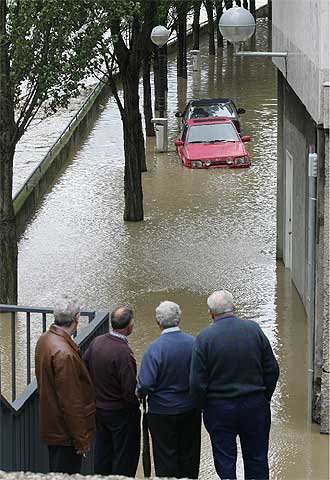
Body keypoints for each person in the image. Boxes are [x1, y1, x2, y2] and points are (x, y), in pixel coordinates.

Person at [190, 290, 280, 480]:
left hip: (219, 408)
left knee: (225, 460)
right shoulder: (254, 329)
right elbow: (272, 369)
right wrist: (264, 397)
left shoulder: (204, 338)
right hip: (255, 405)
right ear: (234, 307)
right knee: (257, 458)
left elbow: (197, 383)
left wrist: (205, 406)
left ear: (210, 313)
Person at [137, 301, 201, 479]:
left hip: (162, 412)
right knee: (189, 455)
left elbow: (145, 385)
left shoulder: (154, 349)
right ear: (179, 320)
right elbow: (202, 376)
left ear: (158, 322)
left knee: (165, 458)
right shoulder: (194, 344)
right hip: (190, 408)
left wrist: (140, 393)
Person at [35, 296, 96, 474]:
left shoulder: (45, 339)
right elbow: (71, 403)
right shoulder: (65, 353)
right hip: (65, 435)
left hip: (53, 427)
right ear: (77, 318)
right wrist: (82, 441)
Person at [83, 306, 140, 477]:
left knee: (103, 452)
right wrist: (134, 406)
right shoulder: (123, 352)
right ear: (129, 326)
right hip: (120, 412)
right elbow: (129, 389)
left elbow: (84, 366)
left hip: (99, 410)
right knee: (123, 456)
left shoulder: (97, 342)